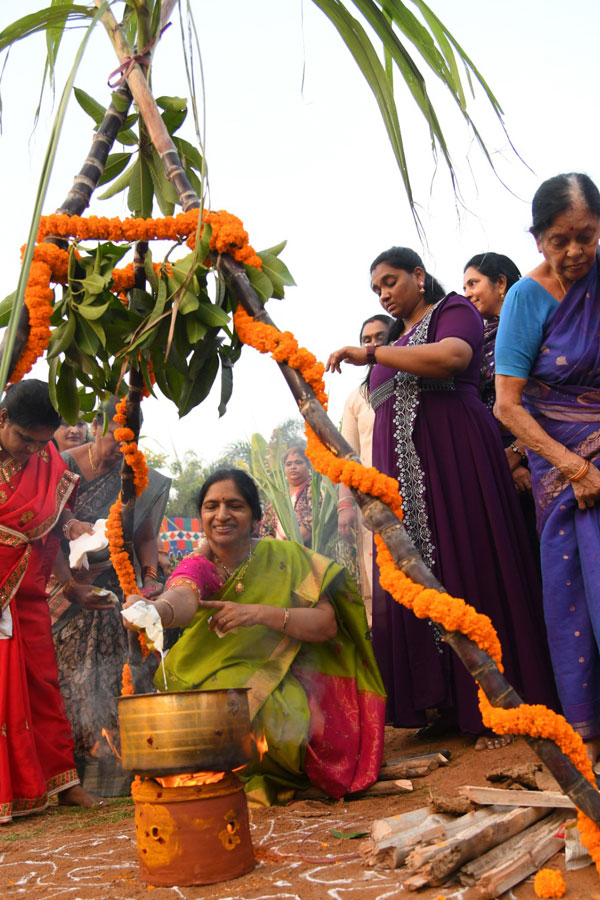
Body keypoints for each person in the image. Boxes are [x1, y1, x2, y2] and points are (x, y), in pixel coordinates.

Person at [326, 246, 558, 749]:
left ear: (417, 274)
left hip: (457, 467)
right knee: (423, 584)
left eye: (390, 281)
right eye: (376, 290)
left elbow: (455, 356)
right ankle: (448, 702)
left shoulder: (453, 309)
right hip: (406, 486)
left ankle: (499, 702)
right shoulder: (396, 339)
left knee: (470, 566)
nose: (385, 294)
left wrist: (370, 353)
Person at [124, 468, 385, 805]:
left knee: (296, 722)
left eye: (235, 505)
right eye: (210, 506)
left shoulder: (285, 557)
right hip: (205, 673)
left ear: (256, 517)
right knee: (226, 706)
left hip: (286, 669)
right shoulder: (197, 564)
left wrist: (259, 614)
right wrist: (156, 612)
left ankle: (283, 774)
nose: (221, 515)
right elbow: (183, 597)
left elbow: (326, 625)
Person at [494, 173, 600, 769]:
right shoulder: (525, 299)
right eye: (561, 240)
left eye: (586, 236)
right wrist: (576, 467)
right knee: (578, 598)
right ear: (538, 241)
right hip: (565, 472)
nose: (575, 251)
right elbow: (507, 404)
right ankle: (591, 748)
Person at [51, 399, 171, 795]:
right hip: (61, 586)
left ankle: (120, 770)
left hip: (116, 587)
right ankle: (72, 775)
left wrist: (150, 578)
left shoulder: (138, 475)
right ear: (96, 427)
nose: (120, 451)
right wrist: (71, 585)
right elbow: (46, 528)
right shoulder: (62, 465)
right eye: (115, 440)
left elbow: (145, 535)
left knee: (119, 670)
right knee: (70, 674)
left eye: (130, 443)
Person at [0, 380, 101, 823]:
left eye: (41, 442)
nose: (32, 450)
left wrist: (72, 580)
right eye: (25, 439)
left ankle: (65, 783)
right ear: (2, 419)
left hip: (29, 592)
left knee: (43, 685)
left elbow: (51, 528)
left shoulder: (48, 460)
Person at [463, 253, 540, 557]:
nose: (467, 293)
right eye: (464, 286)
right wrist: (501, 461)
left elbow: (544, 395)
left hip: (541, 448)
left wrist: (520, 453)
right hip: (496, 458)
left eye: (473, 283)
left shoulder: (531, 324)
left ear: (501, 283)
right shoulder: (475, 340)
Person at [337, 314, 393, 618]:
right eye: (366, 340)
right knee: (378, 579)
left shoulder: (411, 380)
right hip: (370, 504)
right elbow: (348, 456)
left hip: (412, 493)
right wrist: (345, 504)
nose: (372, 345)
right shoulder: (357, 398)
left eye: (380, 338)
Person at [259, 443, 314, 545]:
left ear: (308, 465)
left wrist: (284, 546)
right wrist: (273, 545)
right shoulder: (278, 497)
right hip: (277, 554)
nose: (293, 467)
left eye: (298, 462)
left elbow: (313, 524)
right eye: (288, 464)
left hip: (305, 552)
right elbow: (265, 528)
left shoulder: (314, 489)